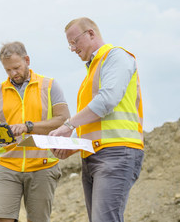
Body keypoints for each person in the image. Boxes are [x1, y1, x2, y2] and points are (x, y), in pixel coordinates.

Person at [49, 17, 144, 222]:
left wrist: (67, 125)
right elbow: (96, 124)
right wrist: (72, 147)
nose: (73, 48)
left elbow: (107, 100)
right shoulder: (92, 72)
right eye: (70, 45)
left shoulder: (116, 57)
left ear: (91, 33)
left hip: (117, 153)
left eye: (75, 42)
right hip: (95, 155)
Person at [0, 41, 70, 222]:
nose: (13, 73)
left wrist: (28, 127)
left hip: (43, 166)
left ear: (27, 60)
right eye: (7, 70)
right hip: (7, 166)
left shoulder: (49, 86)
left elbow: (63, 120)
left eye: (16, 67)